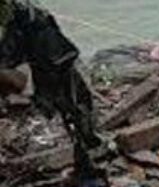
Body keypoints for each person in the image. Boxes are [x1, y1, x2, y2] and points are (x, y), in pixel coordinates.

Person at [0, 0, 101, 177]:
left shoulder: (26, 19)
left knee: (69, 104)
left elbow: (20, 76)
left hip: (45, 52)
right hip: (37, 48)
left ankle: (85, 156)